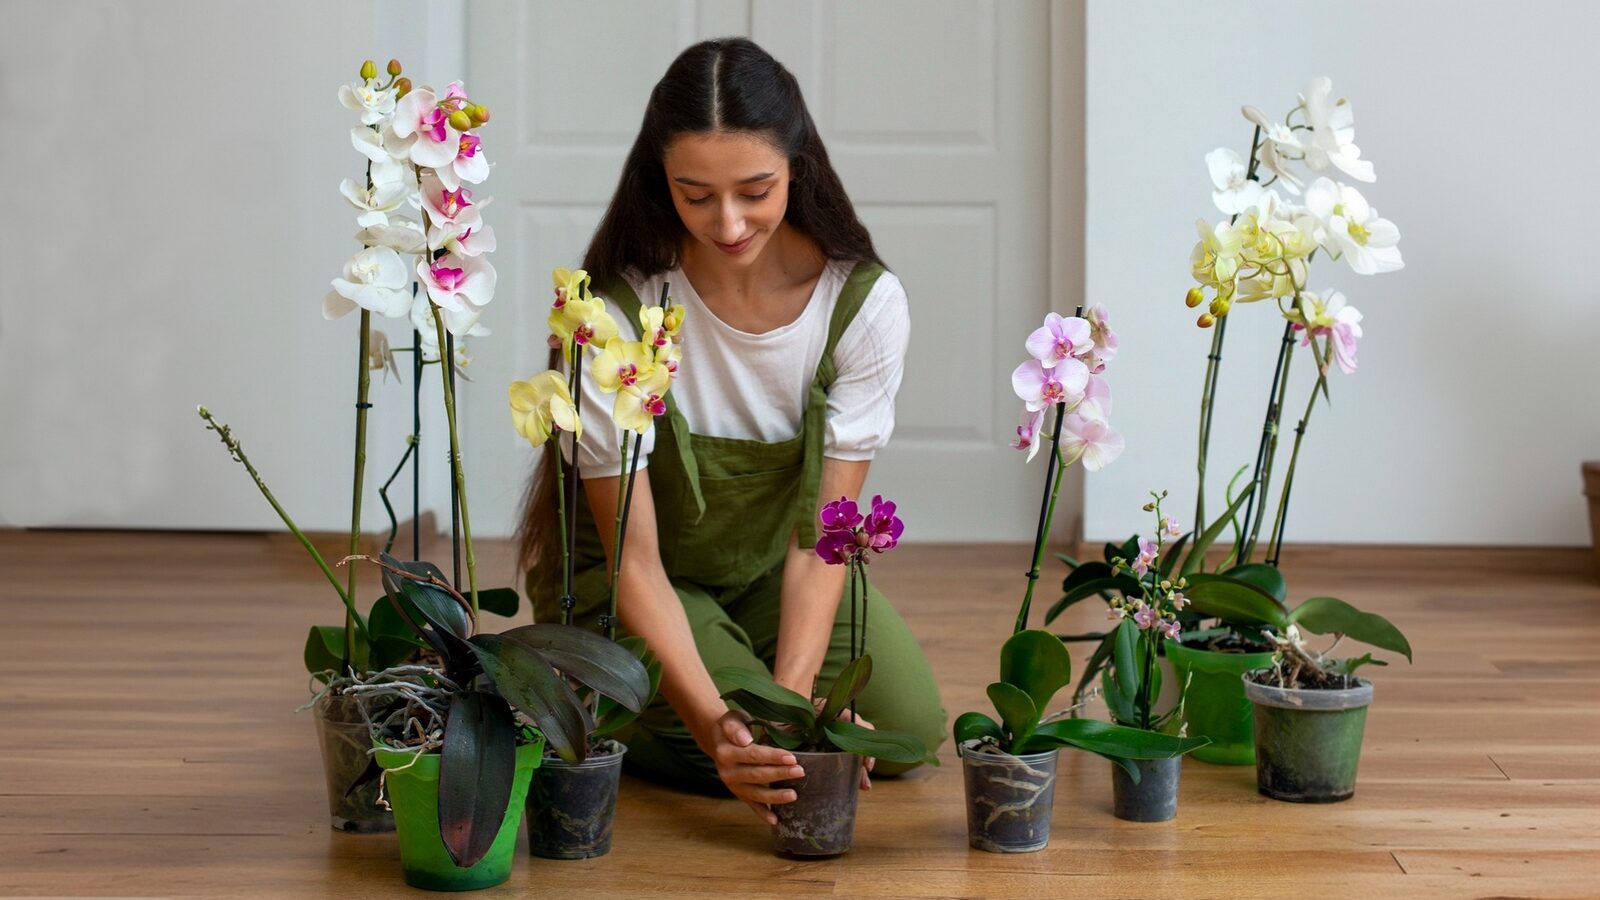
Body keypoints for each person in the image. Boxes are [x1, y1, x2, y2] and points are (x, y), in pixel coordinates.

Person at [515, 37, 945, 826]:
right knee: (754, 755)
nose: (730, 221)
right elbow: (635, 564)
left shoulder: (862, 306)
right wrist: (724, 732)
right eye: (696, 194)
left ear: (798, 168)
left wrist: (788, 707)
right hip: (635, 588)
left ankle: (703, 700)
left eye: (755, 189)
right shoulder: (612, 314)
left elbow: (821, 539)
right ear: (661, 182)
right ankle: (585, 690)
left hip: (763, 573)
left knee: (911, 733)